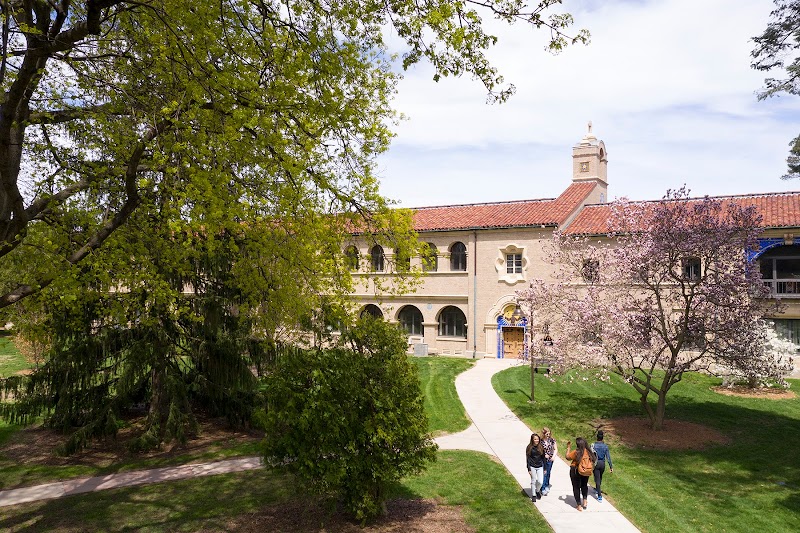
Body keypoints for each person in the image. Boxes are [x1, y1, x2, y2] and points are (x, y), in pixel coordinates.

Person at [565, 436, 595, 511]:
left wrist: (568, 448)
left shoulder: (576, 452)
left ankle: (579, 505)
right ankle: (585, 501)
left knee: (576, 487)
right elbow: (594, 459)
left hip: (575, 470)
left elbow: (567, 457)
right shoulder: (588, 452)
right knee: (584, 485)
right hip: (586, 471)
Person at [591, 430, 613, 502]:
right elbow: (608, 457)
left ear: (597, 437)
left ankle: (599, 495)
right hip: (602, 464)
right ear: (602, 438)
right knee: (600, 477)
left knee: (596, 478)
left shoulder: (593, 445)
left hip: (596, 463)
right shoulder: (605, 446)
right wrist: (611, 467)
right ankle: (598, 488)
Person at [525, 433, 546, 502]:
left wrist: (545, 468)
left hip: (540, 466)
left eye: (537, 439)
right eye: (535, 439)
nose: (537, 440)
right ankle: (534, 495)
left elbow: (543, 458)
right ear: (532, 440)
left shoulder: (541, 447)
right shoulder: (529, 447)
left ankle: (537, 491)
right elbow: (527, 458)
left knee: (540, 481)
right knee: (533, 481)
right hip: (532, 466)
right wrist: (529, 469)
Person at [541, 427, 557, 495]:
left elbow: (555, 449)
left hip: (550, 459)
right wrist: (544, 455)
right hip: (542, 460)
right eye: (547, 434)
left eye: (549, 434)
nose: (548, 435)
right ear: (544, 434)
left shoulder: (552, 440)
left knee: (548, 473)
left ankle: (547, 485)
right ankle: (543, 488)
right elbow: (538, 451)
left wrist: (553, 456)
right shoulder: (540, 441)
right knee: (544, 473)